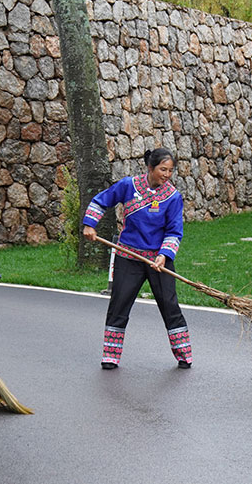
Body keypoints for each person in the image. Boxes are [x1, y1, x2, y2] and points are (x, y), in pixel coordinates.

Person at [82, 148, 192, 370]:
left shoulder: (173, 197)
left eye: (170, 170)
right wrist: (89, 225)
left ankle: (184, 355)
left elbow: (174, 231)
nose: (167, 175)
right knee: (119, 303)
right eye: (163, 169)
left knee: (169, 305)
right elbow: (101, 200)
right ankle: (110, 357)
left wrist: (163, 256)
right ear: (150, 168)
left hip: (158, 260)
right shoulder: (128, 186)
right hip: (128, 256)